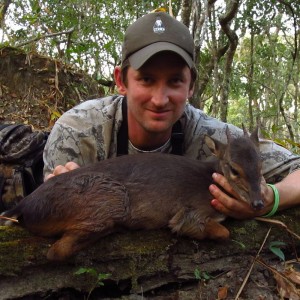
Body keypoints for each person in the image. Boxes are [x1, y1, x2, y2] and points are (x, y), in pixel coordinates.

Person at [43, 11, 300, 220]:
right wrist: (58, 189)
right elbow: (46, 205)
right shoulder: (77, 132)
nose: (159, 99)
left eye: (175, 81)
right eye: (146, 79)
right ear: (121, 80)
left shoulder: (220, 143)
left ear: (191, 86)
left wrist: (273, 199)